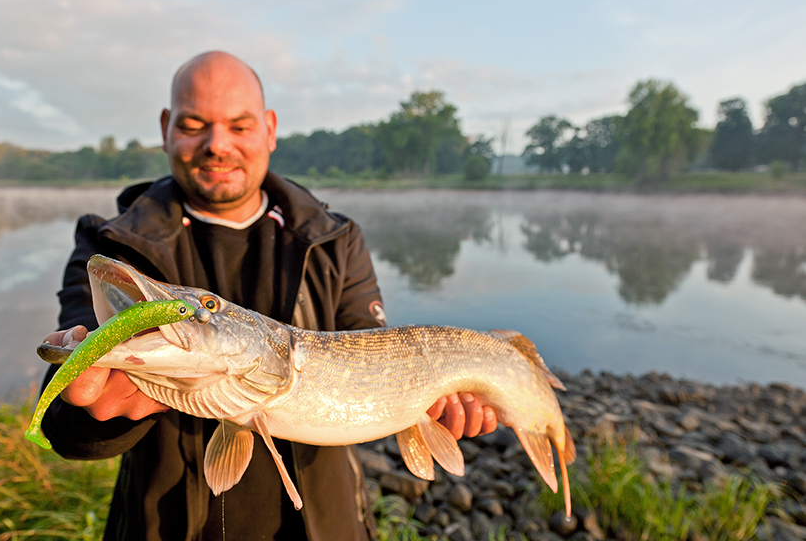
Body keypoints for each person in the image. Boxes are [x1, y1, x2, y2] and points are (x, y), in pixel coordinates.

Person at [39, 51, 497, 541]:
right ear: (166, 127)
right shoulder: (111, 245)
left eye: (239, 126)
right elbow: (67, 431)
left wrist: (431, 402)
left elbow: (375, 355)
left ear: (270, 128)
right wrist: (90, 408)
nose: (218, 145)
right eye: (195, 124)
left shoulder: (334, 238)